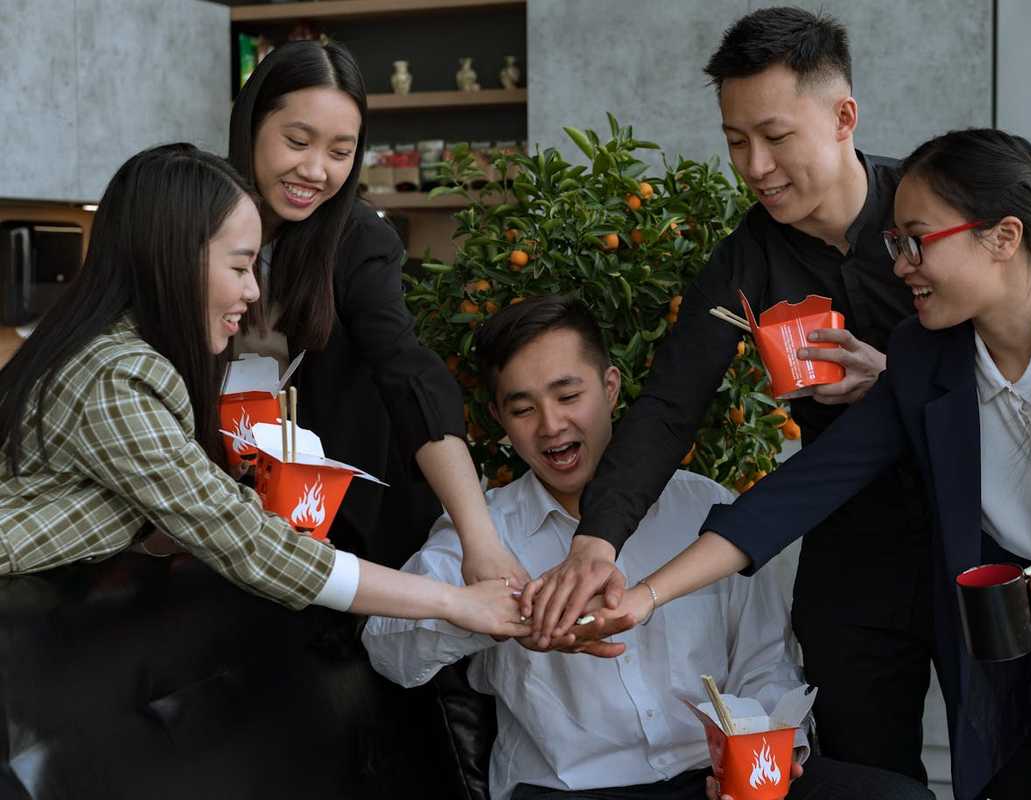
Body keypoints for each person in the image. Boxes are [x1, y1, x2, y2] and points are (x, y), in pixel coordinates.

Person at [586, 128, 1031, 800]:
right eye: (895, 243)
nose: (901, 267)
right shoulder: (926, 358)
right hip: (1005, 621)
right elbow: (798, 491)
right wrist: (642, 597)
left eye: (917, 241)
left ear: (1003, 237)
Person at [526, 7, 935, 783]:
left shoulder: (929, 215)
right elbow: (670, 408)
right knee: (861, 769)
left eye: (775, 137)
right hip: (845, 537)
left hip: (968, 520)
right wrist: (597, 540)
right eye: (735, 141)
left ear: (843, 117)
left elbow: (1016, 359)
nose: (754, 165)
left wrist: (894, 378)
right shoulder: (744, 261)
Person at [362, 296, 935, 800]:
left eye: (568, 394)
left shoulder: (701, 508)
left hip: (714, 776)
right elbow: (389, 654)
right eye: (522, 408)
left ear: (610, 388)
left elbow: (766, 660)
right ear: (499, 420)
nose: (551, 425)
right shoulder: (482, 531)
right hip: (570, 790)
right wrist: (480, 616)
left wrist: (764, 752)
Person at [0, 143, 529, 641]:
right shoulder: (115, 377)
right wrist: (453, 602)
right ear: (173, 259)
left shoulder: (108, 354)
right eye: (239, 266)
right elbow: (246, 542)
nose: (252, 291)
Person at [228, 40, 527, 583]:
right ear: (250, 126)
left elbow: (405, 368)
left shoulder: (360, 240)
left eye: (341, 153)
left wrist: (477, 538)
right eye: (297, 141)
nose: (315, 170)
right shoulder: (193, 221)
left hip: (339, 521)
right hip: (217, 501)